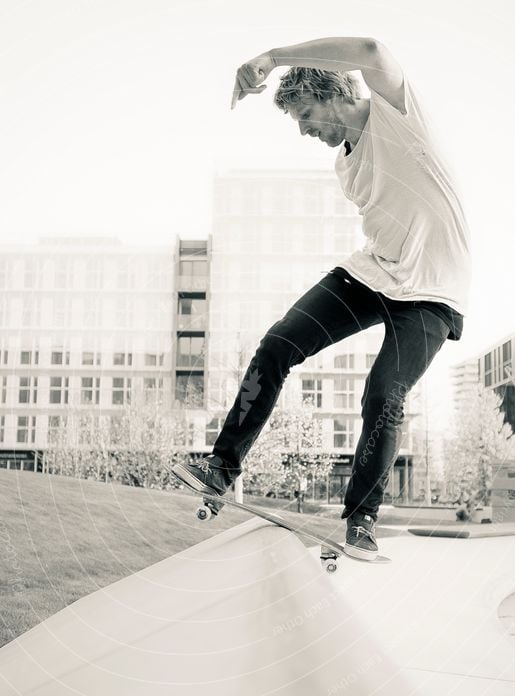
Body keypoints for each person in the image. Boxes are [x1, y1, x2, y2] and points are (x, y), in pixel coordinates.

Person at [173, 37, 469, 560]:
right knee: (278, 343)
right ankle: (220, 469)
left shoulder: (398, 116)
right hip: (372, 272)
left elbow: (372, 50)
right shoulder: (345, 165)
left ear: (332, 93)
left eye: (306, 115)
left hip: (432, 292)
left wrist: (272, 56)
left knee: (385, 395)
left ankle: (361, 520)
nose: (305, 130)